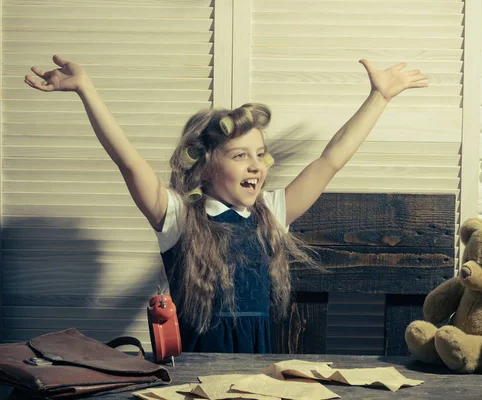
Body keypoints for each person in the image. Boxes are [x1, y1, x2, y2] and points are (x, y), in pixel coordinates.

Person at [24, 55, 428, 353]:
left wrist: (379, 97)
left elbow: (330, 160)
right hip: (195, 375)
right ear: (203, 169)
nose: (256, 165)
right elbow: (128, 161)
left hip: (258, 369)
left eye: (260, 154)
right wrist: (85, 89)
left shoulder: (272, 213)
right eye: (239, 156)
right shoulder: (178, 217)